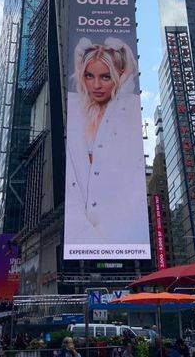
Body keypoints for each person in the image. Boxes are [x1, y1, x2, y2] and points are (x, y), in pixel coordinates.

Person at [64, 37, 150, 247]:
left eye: (106, 77)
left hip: (121, 232)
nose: (96, 85)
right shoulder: (75, 110)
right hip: (82, 233)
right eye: (89, 76)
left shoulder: (127, 109)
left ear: (120, 76)